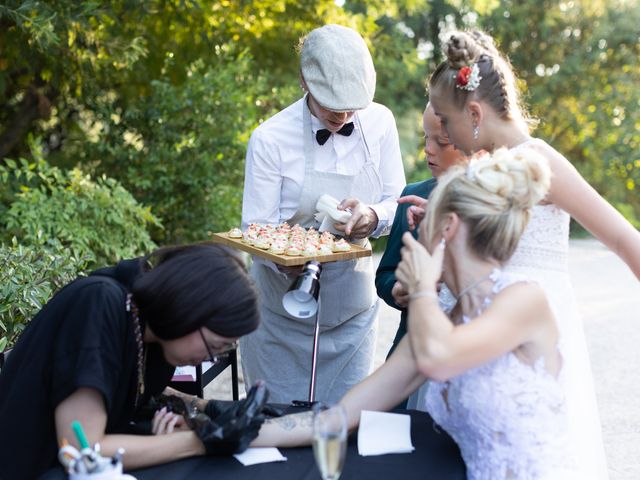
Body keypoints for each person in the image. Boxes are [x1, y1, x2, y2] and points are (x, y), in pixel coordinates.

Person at [256, 148, 586, 478]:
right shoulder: (446, 313)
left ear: (447, 228)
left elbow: (438, 358)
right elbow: (337, 417)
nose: (414, 227)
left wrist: (424, 287)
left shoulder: (524, 299)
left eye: (425, 219)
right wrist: (229, 437)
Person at [403, 29, 640, 477]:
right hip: (477, 335)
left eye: (446, 124)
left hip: (534, 341)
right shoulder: (480, 170)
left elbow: (625, 239)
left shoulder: (539, 159)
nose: (444, 137)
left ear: (474, 114)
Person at [0, 243, 269, 479]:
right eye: (214, 345)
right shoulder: (99, 303)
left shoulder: (154, 337)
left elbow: (130, 390)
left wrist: (203, 410)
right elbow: (81, 450)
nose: (209, 358)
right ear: (190, 308)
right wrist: (201, 441)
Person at [240, 24, 405, 404]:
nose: (344, 114)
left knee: (344, 426)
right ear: (304, 81)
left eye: (353, 104)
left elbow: (397, 201)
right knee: (274, 425)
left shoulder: (381, 123)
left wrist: (372, 217)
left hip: (351, 313)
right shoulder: (269, 139)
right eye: (333, 102)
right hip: (279, 316)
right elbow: (256, 230)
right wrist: (287, 260)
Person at [375, 103, 466, 408]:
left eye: (440, 142)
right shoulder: (412, 195)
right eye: (425, 139)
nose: (428, 150)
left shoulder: (492, 210)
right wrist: (397, 290)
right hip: (408, 350)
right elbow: (386, 272)